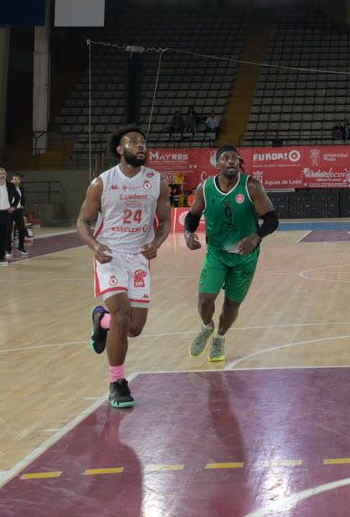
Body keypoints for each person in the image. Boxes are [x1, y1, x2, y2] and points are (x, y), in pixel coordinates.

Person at [79, 127, 166, 409]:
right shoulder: (102, 183)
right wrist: (95, 246)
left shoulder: (156, 181)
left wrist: (159, 241)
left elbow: (165, 222)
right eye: (134, 142)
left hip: (139, 256)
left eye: (143, 142)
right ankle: (117, 382)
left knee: (134, 328)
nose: (141, 146)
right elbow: (82, 222)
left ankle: (99, 320)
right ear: (120, 149)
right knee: (121, 314)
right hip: (111, 254)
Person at [183, 145, 277, 364]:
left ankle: (220, 337)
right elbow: (193, 216)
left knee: (231, 306)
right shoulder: (204, 188)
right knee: (205, 300)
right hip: (216, 254)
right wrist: (188, 233)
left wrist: (257, 236)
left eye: (235, 158)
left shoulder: (251, 186)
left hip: (245, 258)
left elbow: (272, 219)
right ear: (217, 164)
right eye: (226, 158)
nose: (232, 161)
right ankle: (207, 327)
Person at [9, 174, 31, 256]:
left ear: (19, 181)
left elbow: (23, 198)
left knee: (22, 229)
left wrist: (22, 205)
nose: (16, 181)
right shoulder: (7, 189)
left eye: (17, 179)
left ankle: (21, 247)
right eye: (14, 179)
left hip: (18, 211)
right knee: (8, 230)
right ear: (11, 181)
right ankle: (8, 249)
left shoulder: (21, 189)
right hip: (9, 211)